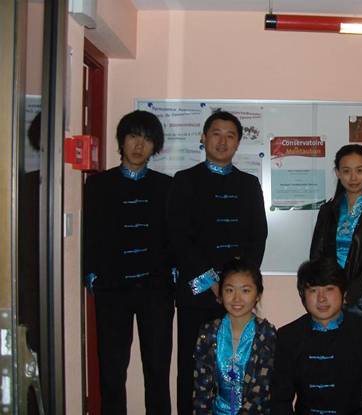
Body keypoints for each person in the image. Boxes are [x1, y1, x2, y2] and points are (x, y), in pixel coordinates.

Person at [167, 111, 268, 414]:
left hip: (237, 296)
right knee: (192, 368)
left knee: (237, 368)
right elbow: (179, 237)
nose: (222, 141)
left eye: (230, 135)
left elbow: (258, 236)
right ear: (203, 137)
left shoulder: (249, 183)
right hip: (197, 292)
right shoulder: (184, 180)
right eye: (216, 133)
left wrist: (237, 286)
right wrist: (212, 282)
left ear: (238, 142)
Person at [83, 110, 175, 414]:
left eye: (147, 139)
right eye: (133, 136)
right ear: (121, 141)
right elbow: (89, 235)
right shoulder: (98, 185)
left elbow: (175, 237)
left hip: (156, 292)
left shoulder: (166, 186)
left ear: (155, 146)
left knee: (158, 371)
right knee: (111, 372)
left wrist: (172, 277)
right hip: (113, 291)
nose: (139, 145)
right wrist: (92, 275)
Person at [271, 258, 362, 415]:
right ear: (302, 295)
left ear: (344, 292)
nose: (321, 298)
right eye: (313, 290)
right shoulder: (288, 336)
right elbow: (280, 399)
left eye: (329, 289)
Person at [310, 144, 362, 326]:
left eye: (359, 170)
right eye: (346, 171)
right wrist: (329, 288)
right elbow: (316, 254)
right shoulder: (328, 210)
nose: (353, 178)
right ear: (338, 173)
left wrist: (353, 292)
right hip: (330, 295)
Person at [192, 259, 276, 414]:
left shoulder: (266, 333)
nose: (237, 298)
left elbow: (262, 390)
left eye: (245, 291)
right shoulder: (209, 332)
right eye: (229, 290)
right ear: (221, 294)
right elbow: (201, 389)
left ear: (258, 294)